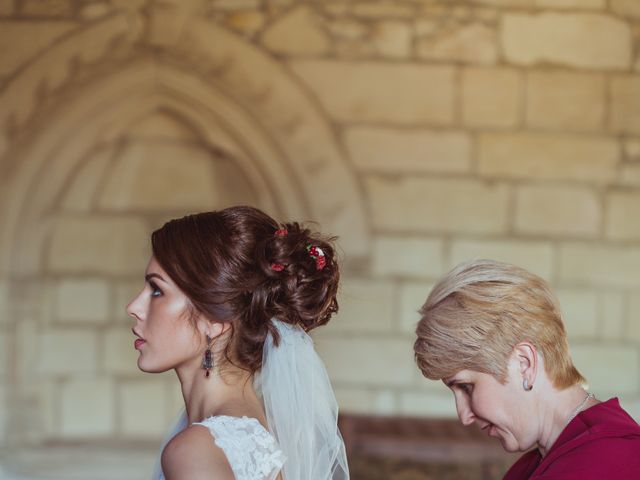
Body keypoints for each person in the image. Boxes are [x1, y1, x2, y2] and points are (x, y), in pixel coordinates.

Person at [126, 206, 349, 480]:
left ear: (213, 319)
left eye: (157, 290)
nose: (134, 307)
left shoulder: (197, 450)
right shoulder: (249, 433)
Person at [413, 259, 640, 479]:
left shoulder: (608, 461)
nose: (464, 416)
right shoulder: (539, 461)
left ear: (524, 363)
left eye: (466, 387)